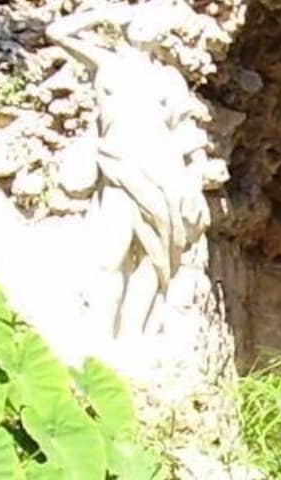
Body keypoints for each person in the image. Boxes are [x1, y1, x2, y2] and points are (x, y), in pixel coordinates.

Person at [47, 2, 228, 337]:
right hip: (118, 165)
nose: (145, 25)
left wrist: (193, 179)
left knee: (154, 259)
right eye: (141, 18)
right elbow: (56, 33)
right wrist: (102, 14)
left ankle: (135, 338)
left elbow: (187, 133)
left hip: (162, 172)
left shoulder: (169, 78)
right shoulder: (107, 61)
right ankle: (102, 340)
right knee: (109, 257)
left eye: (154, 21)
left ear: (164, 33)